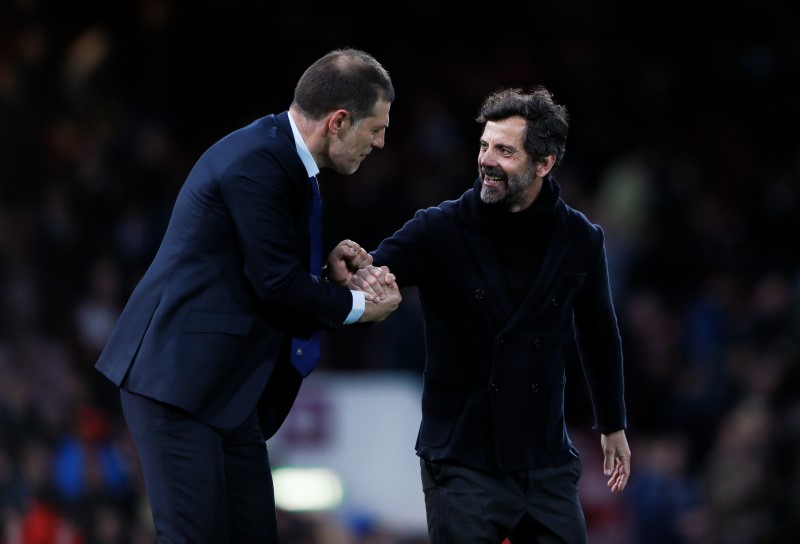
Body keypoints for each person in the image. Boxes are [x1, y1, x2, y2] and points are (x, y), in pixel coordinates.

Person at [94, 48, 402, 543]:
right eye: (376, 127)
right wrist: (362, 308)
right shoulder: (257, 161)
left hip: (223, 391)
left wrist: (328, 277)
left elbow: (258, 271)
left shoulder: (282, 157)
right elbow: (274, 283)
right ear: (339, 121)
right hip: (176, 385)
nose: (382, 142)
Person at [352, 86, 631, 543]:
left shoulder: (581, 239)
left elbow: (600, 334)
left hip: (545, 464)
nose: (486, 159)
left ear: (543, 164)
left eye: (504, 150)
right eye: (484, 146)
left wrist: (613, 423)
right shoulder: (438, 228)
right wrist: (351, 273)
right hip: (461, 461)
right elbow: (371, 277)